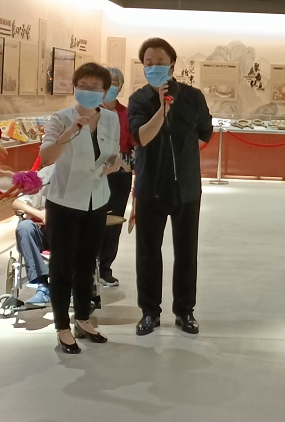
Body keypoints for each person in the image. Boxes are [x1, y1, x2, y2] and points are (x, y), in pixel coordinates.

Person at [128, 38, 213, 336]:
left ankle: (185, 311)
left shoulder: (192, 97)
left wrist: (183, 160)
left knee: (186, 252)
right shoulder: (139, 100)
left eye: (160, 63)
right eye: (148, 63)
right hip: (150, 186)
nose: (154, 67)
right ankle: (149, 312)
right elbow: (141, 137)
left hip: (186, 189)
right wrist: (162, 109)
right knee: (148, 253)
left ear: (172, 65)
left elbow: (205, 132)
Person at [40, 62, 121, 354]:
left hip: (97, 199)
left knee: (88, 264)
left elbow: (114, 153)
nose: (88, 91)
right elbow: (46, 157)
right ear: (74, 87)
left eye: (95, 87)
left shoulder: (110, 118)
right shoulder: (61, 118)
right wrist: (69, 133)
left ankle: (83, 319)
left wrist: (114, 163)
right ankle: (62, 326)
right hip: (65, 201)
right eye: (83, 86)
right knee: (62, 265)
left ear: (105, 91)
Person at [94, 66, 133, 300]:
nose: (111, 86)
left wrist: (127, 165)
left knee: (115, 218)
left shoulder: (126, 114)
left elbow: (133, 144)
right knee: (93, 217)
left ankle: (106, 266)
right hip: (93, 172)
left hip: (120, 173)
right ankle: (89, 263)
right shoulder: (91, 111)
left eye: (116, 83)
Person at [11, 165, 53, 308]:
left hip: (65, 232)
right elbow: (16, 202)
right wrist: (41, 214)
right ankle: (42, 285)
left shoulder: (81, 176)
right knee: (24, 227)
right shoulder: (45, 174)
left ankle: (71, 286)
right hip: (41, 230)